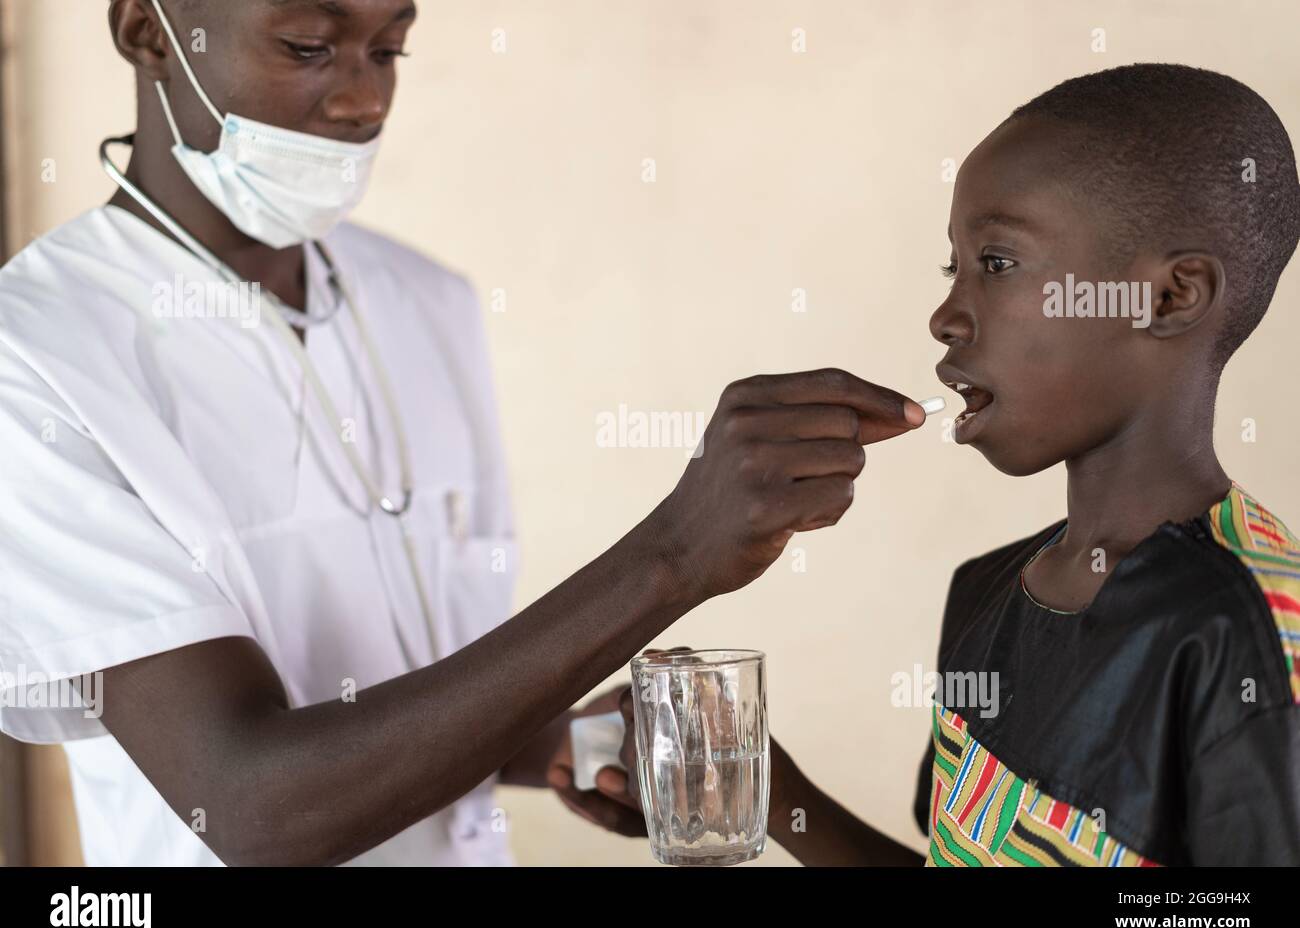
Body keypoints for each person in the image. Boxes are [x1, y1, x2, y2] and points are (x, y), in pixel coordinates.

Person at [0, 0, 933, 865]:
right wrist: (675, 554)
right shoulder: (39, 356)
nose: (365, 96)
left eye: (389, 46)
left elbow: (398, 677)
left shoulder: (422, 302)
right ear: (147, 31)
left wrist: (552, 740)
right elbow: (249, 803)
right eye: (307, 47)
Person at [580, 63, 1300, 866]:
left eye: (996, 263)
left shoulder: (1260, 632)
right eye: (950, 267)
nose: (945, 315)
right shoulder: (986, 595)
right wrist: (769, 792)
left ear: (1168, 298)